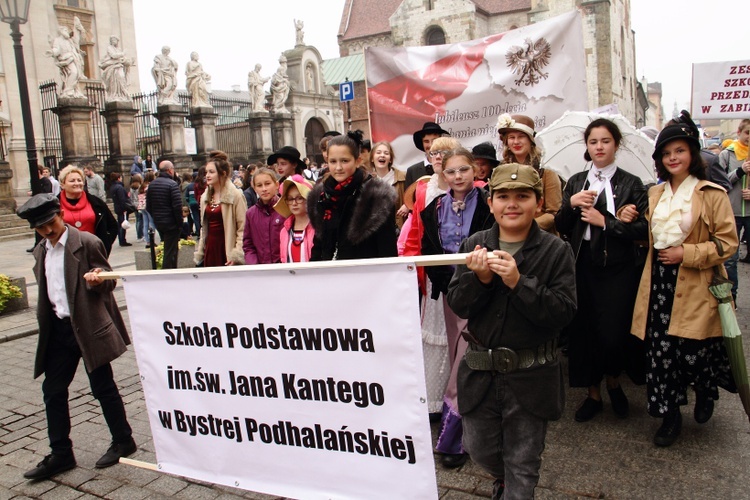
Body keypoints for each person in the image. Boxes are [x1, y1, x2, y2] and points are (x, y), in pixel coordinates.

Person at [447, 163, 577, 499]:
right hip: (480, 375)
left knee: (523, 460)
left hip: (531, 377)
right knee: (478, 447)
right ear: (490, 203)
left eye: (523, 196)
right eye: (503, 196)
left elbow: (563, 312)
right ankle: (503, 480)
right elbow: (459, 304)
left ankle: (516, 489)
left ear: (537, 202)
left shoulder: (556, 250)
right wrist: (481, 279)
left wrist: (519, 283)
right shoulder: (475, 244)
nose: (512, 204)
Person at [630, 118, 738, 447]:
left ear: (692, 153)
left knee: (694, 353)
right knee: (661, 354)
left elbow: (728, 244)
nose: (673, 157)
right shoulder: (655, 193)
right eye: (666, 153)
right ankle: (669, 416)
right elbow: (651, 237)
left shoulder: (711, 194)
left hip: (696, 283)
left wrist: (686, 253)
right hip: (660, 285)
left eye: (679, 150)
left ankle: (705, 389)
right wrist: (628, 220)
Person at [17, 194, 137, 481]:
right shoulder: (41, 251)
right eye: (40, 227)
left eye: (50, 223)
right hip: (59, 330)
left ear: (60, 214)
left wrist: (98, 279)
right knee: (53, 390)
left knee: (102, 386)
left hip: (88, 325)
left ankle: (123, 440)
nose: (47, 231)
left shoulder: (86, 242)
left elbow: (109, 281)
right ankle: (61, 453)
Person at [554, 118, 648, 422]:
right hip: (582, 266)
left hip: (619, 270)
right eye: (593, 142)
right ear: (587, 146)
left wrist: (607, 222)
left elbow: (645, 230)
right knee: (585, 333)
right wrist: (571, 203)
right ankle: (593, 393)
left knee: (613, 333)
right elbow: (561, 225)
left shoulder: (632, 183)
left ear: (616, 145)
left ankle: (614, 382)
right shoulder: (576, 181)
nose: (599, 147)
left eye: (605, 141)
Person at [420, 147, 494, 468]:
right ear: (443, 175)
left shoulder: (489, 202)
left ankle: (453, 435)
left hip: (482, 289)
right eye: (451, 172)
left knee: (468, 357)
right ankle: (472, 424)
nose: (458, 176)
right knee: (457, 355)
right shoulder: (434, 208)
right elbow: (429, 248)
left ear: (475, 170)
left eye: (464, 169)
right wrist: (442, 282)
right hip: (450, 293)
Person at [308, 130, 398, 260]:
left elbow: (387, 250)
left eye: (344, 161)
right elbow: (318, 246)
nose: (338, 167)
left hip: (365, 275)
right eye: (333, 161)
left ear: (357, 161)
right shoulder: (321, 195)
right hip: (328, 276)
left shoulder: (377, 197)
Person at [497, 114, 561, 233]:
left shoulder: (546, 168)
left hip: (540, 238)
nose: (516, 141)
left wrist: (526, 226)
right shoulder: (501, 169)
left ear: (530, 140)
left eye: (521, 137)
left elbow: (553, 212)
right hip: (509, 235)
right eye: (511, 137)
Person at [194, 151, 246, 267]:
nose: (207, 175)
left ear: (223, 173)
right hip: (210, 247)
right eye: (206, 172)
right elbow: (204, 227)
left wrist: (236, 254)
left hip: (227, 247)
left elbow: (242, 228)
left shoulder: (235, 195)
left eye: (211, 172)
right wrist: (201, 250)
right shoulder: (205, 197)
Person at [719, 119, 750, 301]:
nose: (749, 138)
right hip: (732, 212)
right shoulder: (727, 155)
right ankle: (732, 297)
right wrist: (740, 171)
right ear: (739, 132)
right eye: (747, 133)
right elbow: (720, 182)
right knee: (730, 258)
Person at [58, 165, 118, 255]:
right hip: (64, 254)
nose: (77, 183)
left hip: (92, 253)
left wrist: (104, 245)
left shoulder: (96, 203)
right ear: (62, 184)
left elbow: (113, 226)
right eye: (72, 181)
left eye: (79, 180)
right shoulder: (54, 205)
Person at [242, 168, 286, 264]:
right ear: (254, 188)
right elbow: (248, 245)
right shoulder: (250, 214)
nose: (264, 189)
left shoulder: (285, 209)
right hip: (261, 268)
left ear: (276, 185)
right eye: (259, 185)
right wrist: (254, 265)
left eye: (267, 184)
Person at [146, 161, 183, 269]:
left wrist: (156, 217)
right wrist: (179, 223)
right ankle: (168, 272)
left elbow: (148, 206)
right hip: (171, 223)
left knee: (169, 247)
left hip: (159, 222)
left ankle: (170, 269)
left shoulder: (152, 184)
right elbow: (177, 207)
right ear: (170, 170)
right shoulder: (172, 184)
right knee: (170, 251)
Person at [275, 176, 315, 263]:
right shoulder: (284, 231)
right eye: (290, 199)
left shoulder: (317, 228)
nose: (294, 203)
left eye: (299, 198)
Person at [370, 140, 408, 229]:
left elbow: (415, 198)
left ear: (390, 159)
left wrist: (407, 205)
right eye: (378, 152)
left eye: (386, 153)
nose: (382, 155)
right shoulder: (367, 182)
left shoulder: (404, 177)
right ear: (372, 158)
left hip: (401, 229)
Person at [45, 18, 85, 98]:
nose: (67, 32)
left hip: (73, 58)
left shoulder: (69, 40)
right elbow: (56, 49)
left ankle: (71, 90)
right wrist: (52, 52)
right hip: (66, 60)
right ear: (62, 32)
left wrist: (78, 28)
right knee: (74, 73)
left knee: (76, 74)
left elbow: (77, 39)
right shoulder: (58, 40)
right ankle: (68, 90)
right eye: (66, 30)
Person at [404, 122, 449, 189]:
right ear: (422, 143)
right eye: (426, 141)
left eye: (434, 141)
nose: (430, 145)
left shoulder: (449, 166)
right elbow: (408, 198)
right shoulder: (412, 171)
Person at [98, 36, 133, 102]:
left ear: (117, 41)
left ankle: (121, 94)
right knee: (115, 80)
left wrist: (128, 61)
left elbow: (123, 59)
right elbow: (113, 55)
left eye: (114, 39)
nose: (113, 41)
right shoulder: (109, 48)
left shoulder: (118, 49)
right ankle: (115, 94)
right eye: (112, 40)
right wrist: (123, 53)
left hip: (119, 66)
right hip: (113, 67)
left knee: (122, 78)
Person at [108, 172, 132, 247]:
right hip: (121, 208)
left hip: (117, 207)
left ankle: (121, 239)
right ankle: (122, 240)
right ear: (118, 178)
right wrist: (124, 208)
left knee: (120, 223)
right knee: (123, 224)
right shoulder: (119, 187)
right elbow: (122, 199)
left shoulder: (112, 187)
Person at [137, 172, 157, 248]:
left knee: (145, 223)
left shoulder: (142, 186)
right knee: (151, 223)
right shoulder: (149, 186)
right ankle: (151, 240)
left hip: (142, 206)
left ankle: (147, 240)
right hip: (148, 206)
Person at [129, 174, 143, 241]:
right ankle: (140, 235)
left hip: (133, 204)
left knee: (137, 220)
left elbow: (131, 197)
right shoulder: (140, 187)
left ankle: (138, 235)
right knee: (140, 220)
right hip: (139, 204)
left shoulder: (131, 187)